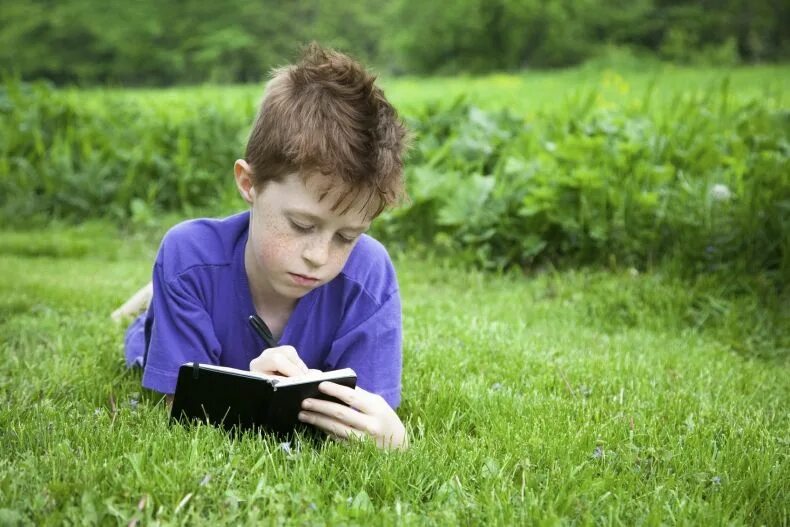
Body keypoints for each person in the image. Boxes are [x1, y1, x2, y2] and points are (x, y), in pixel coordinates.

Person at [115, 43, 409, 450]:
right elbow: (180, 409)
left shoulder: (369, 275)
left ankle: (152, 292)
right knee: (160, 309)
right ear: (249, 184)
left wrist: (390, 435)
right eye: (302, 224)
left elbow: (369, 411)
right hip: (186, 289)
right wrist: (252, 389)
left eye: (346, 236)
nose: (318, 256)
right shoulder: (187, 254)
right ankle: (149, 301)